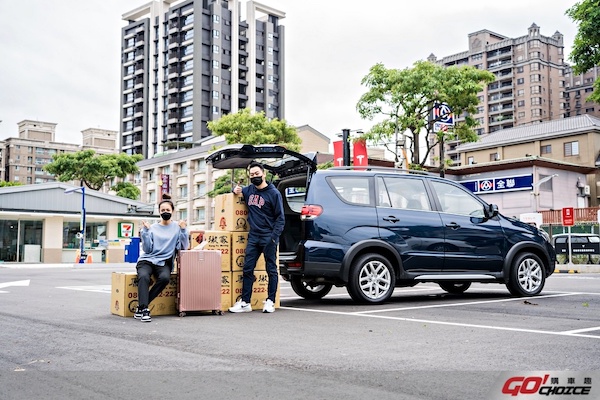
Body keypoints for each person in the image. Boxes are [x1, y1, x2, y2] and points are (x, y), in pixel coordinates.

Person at [229, 161, 284, 314]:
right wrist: (234, 189)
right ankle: (245, 302)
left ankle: (270, 301)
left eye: (257, 174)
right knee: (247, 268)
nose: (255, 177)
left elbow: (280, 218)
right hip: (254, 236)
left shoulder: (274, 193)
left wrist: (274, 238)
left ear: (263, 174)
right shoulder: (249, 190)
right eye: (252, 175)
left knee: (271, 269)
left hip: (269, 236)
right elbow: (237, 190)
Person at [134, 194, 189, 322]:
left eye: (168, 210)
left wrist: (183, 230)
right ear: (159, 212)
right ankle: (145, 309)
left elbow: (184, 247)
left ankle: (140, 307)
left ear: (173, 211)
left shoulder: (177, 227)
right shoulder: (152, 228)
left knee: (164, 278)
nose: (165, 212)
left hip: (164, 262)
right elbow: (147, 249)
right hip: (147, 260)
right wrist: (145, 233)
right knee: (143, 277)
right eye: (163, 210)